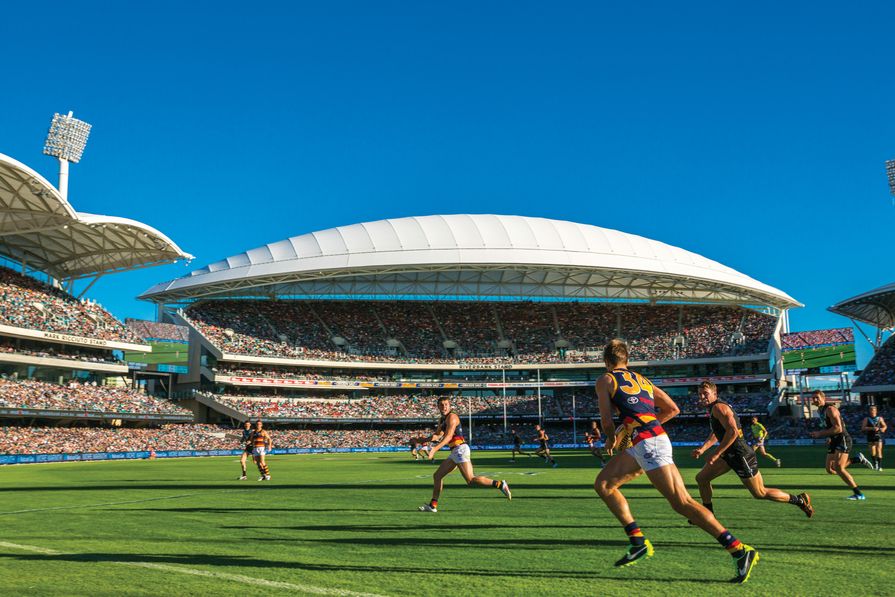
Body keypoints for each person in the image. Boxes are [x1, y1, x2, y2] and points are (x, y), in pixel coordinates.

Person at [594, 339, 759, 584]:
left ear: (607, 362)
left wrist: (611, 439)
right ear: (626, 360)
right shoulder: (643, 380)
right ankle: (638, 542)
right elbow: (672, 409)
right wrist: (640, 426)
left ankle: (739, 549)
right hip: (645, 442)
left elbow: (606, 422)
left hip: (649, 445)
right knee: (604, 485)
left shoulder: (605, 379)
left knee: (682, 502)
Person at [693, 382, 813, 518]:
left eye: (705, 394)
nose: (702, 397)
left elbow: (733, 433)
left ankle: (799, 500)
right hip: (729, 453)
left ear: (715, 393)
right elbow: (717, 433)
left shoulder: (719, 408)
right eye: (700, 394)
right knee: (702, 478)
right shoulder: (714, 408)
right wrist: (702, 449)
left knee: (760, 492)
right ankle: (708, 515)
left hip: (740, 454)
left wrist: (716, 453)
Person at [419, 396, 511, 512]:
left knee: (471, 480)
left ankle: (500, 484)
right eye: (441, 405)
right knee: (437, 476)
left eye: (446, 404)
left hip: (460, 449)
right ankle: (433, 506)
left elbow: (448, 437)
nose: (444, 407)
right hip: (455, 452)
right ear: (437, 406)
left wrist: (434, 449)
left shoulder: (452, 417)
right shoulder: (442, 420)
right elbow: (437, 435)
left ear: (450, 405)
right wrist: (420, 441)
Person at [808, 391, 866, 499]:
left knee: (839, 469)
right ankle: (857, 459)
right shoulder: (820, 410)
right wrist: (829, 437)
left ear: (823, 398)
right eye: (813, 398)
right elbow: (829, 426)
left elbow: (838, 428)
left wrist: (820, 433)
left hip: (842, 439)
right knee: (830, 469)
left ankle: (859, 494)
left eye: (817, 397)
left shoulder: (830, 409)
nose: (815, 400)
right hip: (834, 440)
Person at [861, 405, 887, 471]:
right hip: (870, 436)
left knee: (879, 450)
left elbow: (885, 426)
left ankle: (880, 466)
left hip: (878, 435)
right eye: (871, 410)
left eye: (873, 410)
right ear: (869, 411)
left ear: (876, 411)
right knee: (873, 452)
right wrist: (872, 428)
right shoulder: (866, 419)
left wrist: (882, 429)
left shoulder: (880, 418)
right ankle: (875, 463)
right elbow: (863, 428)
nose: (872, 411)